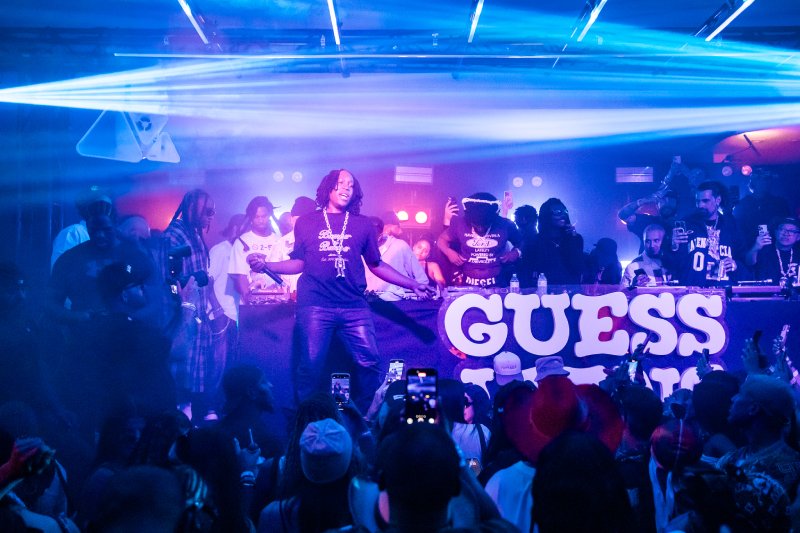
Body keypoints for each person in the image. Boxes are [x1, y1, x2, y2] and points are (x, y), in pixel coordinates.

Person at [247, 169, 433, 411]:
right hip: (315, 305)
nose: (346, 187)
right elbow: (299, 263)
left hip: (353, 305)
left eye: (351, 185)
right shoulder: (307, 222)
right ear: (328, 188)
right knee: (310, 367)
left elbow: (376, 264)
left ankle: (363, 417)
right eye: (341, 183)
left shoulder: (362, 224)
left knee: (369, 362)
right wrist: (267, 265)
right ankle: (307, 419)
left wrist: (412, 283)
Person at [161, 189, 218, 421]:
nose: (211, 216)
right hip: (181, 318)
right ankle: (178, 425)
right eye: (207, 211)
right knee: (180, 378)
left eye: (213, 211)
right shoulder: (174, 235)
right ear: (192, 208)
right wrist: (184, 304)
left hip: (197, 315)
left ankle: (193, 422)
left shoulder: (193, 233)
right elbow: (168, 280)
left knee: (194, 381)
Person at [436, 192, 522, 288]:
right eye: (476, 225)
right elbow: (441, 240)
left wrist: (516, 252)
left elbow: (522, 241)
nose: (480, 229)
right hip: (468, 284)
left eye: (485, 225)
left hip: (497, 283)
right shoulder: (460, 223)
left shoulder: (505, 225)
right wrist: (449, 252)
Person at [671, 181, 742, 286]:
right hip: (695, 290)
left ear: (717, 200)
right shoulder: (687, 223)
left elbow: (744, 257)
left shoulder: (730, 225)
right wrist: (674, 246)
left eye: (705, 201)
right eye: (697, 201)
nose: (700, 205)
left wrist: (735, 264)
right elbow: (677, 263)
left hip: (724, 288)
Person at [208, 214, 247, 380]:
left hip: (238, 315)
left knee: (233, 363)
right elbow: (207, 282)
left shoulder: (244, 253)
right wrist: (217, 310)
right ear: (234, 229)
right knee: (218, 364)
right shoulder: (220, 250)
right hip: (222, 315)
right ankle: (212, 397)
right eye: (244, 228)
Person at [365, 211, 429, 301]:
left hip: (398, 303)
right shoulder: (361, 248)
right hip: (369, 302)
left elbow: (421, 279)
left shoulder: (400, 246)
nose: (401, 231)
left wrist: (419, 296)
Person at [230, 196, 281, 305]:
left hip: (278, 303)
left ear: (269, 215)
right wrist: (249, 301)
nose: (261, 220)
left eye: (264, 216)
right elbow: (240, 276)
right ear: (251, 218)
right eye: (256, 217)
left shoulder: (279, 240)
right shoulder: (242, 241)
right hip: (252, 305)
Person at [527, 198, 585, 285]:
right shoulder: (536, 240)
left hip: (571, 289)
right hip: (545, 289)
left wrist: (572, 238)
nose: (563, 215)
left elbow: (578, 267)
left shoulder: (576, 238)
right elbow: (533, 268)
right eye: (558, 212)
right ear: (546, 215)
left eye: (565, 211)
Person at [267, 196, 318, 296]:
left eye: (303, 221)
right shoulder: (281, 243)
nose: (299, 225)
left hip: (314, 300)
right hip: (287, 301)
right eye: (296, 220)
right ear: (291, 219)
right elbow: (270, 275)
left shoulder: (321, 242)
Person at [50, 191, 113, 270]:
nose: (102, 209)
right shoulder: (73, 232)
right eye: (97, 206)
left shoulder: (111, 235)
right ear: (85, 210)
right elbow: (59, 269)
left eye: (107, 207)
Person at [733, 168, 791, 247]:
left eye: (766, 180)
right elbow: (737, 225)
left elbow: (788, 223)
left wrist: (776, 222)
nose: (763, 183)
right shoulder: (743, 204)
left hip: (773, 245)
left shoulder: (779, 203)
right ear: (753, 182)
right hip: (749, 244)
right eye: (760, 180)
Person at [745, 217, 799, 284]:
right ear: (775, 232)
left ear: (798, 237)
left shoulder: (798, 253)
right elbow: (749, 263)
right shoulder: (765, 249)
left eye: (792, 231)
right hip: (767, 290)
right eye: (782, 229)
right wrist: (756, 247)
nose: (786, 234)